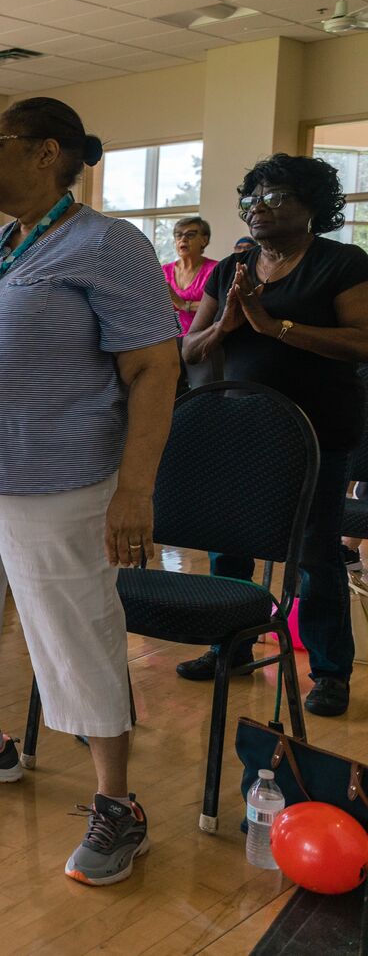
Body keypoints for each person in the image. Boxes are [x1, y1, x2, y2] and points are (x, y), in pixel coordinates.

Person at [0, 97, 181, 886]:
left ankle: (117, 804)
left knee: (72, 626)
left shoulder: (106, 244)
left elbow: (155, 368)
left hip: (54, 472)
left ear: (48, 153)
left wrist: (136, 488)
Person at [182, 154, 368, 717]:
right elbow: (189, 349)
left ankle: (330, 672)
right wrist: (226, 328)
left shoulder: (342, 263)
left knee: (314, 555)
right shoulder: (228, 271)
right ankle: (229, 648)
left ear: (312, 206)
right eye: (252, 200)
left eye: (276, 197)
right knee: (229, 545)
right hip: (240, 428)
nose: (259, 209)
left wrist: (275, 328)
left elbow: (361, 342)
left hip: (317, 431)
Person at [164, 216, 221, 387]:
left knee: (203, 393)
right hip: (168, 340)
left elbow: (220, 306)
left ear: (204, 240)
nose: (183, 239)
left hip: (202, 339)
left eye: (190, 234)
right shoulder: (163, 270)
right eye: (178, 235)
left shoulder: (216, 269)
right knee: (168, 394)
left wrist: (183, 304)